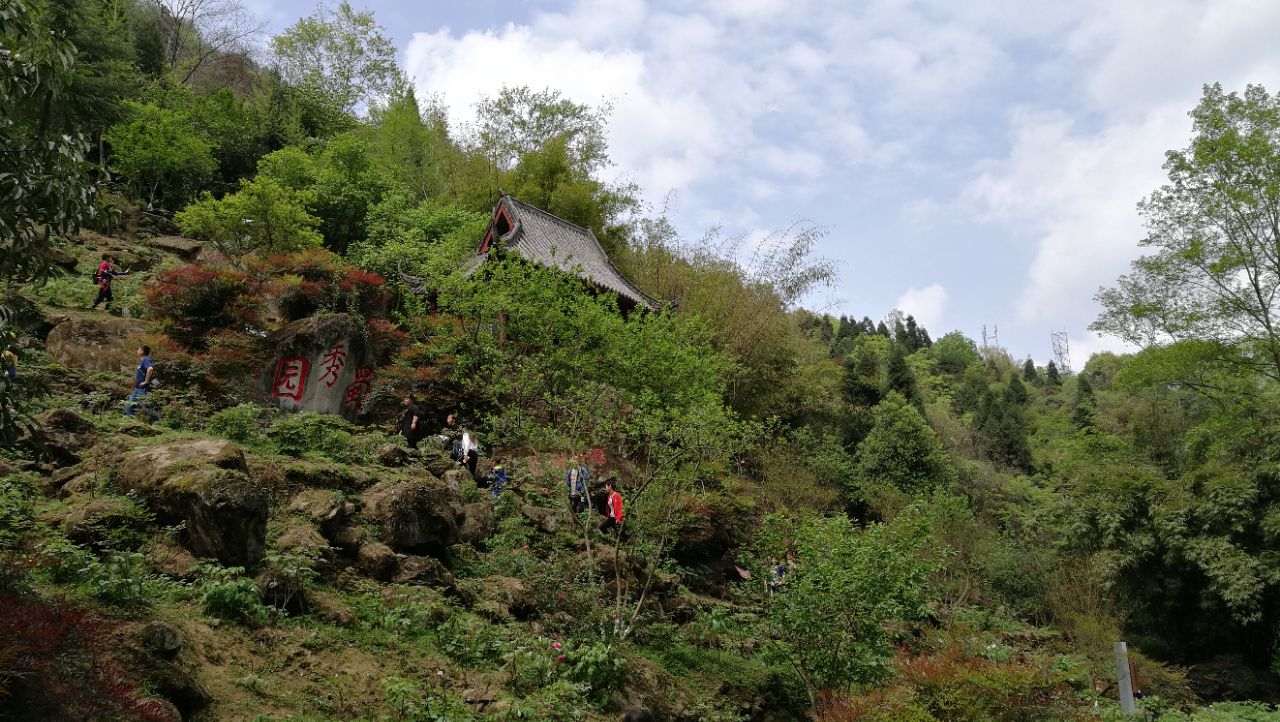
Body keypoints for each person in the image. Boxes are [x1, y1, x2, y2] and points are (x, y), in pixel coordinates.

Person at [124, 345, 155, 419]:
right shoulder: (142, 361)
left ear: (142, 351)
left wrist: (146, 381)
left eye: (138, 349)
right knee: (146, 406)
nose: (137, 351)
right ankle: (157, 422)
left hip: (142, 388)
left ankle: (130, 423)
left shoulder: (146, 359)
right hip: (139, 388)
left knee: (131, 406)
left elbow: (150, 369)